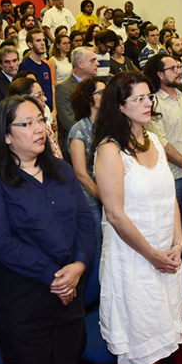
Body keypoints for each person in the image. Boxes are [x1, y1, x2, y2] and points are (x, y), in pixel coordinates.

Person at [0, 95, 95, 364]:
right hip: (23, 301)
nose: (40, 128)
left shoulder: (61, 170)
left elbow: (85, 221)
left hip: (69, 295)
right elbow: (2, 244)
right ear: (7, 135)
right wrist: (55, 276)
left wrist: (78, 265)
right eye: (27, 123)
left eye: (41, 120)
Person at [93, 71, 182, 364]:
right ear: (120, 106)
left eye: (149, 97)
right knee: (142, 356)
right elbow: (115, 214)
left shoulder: (155, 141)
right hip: (135, 263)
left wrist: (178, 242)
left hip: (166, 258)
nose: (148, 104)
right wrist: (153, 255)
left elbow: (170, 196)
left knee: (159, 349)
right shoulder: (110, 151)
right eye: (139, 99)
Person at [145, 53, 182, 276]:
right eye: (173, 68)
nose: (179, 71)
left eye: (179, 67)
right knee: (179, 231)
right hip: (175, 175)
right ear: (159, 74)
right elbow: (160, 141)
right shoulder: (153, 101)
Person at [68, 77, 107, 249]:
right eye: (101, 93)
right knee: (97, 250)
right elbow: (81, 173)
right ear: (88, 99)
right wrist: (103, 197)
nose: (106, 96)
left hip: (111, 196)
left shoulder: (110, 125)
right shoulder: (78, 130)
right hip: (91, 201)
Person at [55, 47, 100, 156]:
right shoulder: (64, 88)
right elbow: (69, 122)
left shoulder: (98, 86)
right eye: (92, 61)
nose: (97, 63)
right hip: (78, 145)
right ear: (80, 64)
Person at [7, 76, 64, 160]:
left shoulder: (46, 127)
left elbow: (58, 159)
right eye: (39, 95)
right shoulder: (15, 131)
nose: (44, 99)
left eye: (41, 120)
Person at [20, 28, 55, 110]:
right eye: (38, 41)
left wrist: (54, 111)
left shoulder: (46, 65)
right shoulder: (24, 66)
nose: (43, 43)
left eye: (43, 40)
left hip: (49, 111)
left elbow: (52, 90)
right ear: (30, 44)